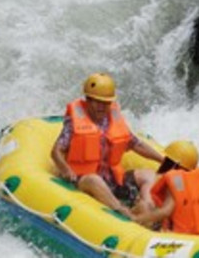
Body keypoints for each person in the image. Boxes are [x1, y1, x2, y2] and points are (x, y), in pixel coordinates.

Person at [51, 72, 166, 218]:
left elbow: (137, 144)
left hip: (112, 180)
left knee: (148, 175)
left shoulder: (113, 119)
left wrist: (162, 160)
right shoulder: (74, 123)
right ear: (88, 100)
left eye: (106, 102)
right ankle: (123, 211)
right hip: (83, 180)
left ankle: (147, 207)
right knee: (94, 179)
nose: (102, 107)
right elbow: (56, 151)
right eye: (97, 101)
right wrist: (65, 169)